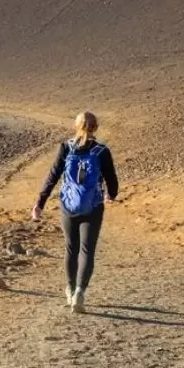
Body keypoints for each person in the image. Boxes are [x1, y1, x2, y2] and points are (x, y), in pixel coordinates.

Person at [31, 111, 119, 313]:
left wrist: (40, 203)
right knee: (87, 250)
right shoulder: (101, 151)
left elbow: (53, 176)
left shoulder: (66, 148)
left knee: (72, 248)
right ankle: (80, 291)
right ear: (95, 128)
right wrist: (111, 196)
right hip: (93, 206)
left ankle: (70, 290)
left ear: (76, 126)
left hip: (68, 206)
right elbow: (112, 180)